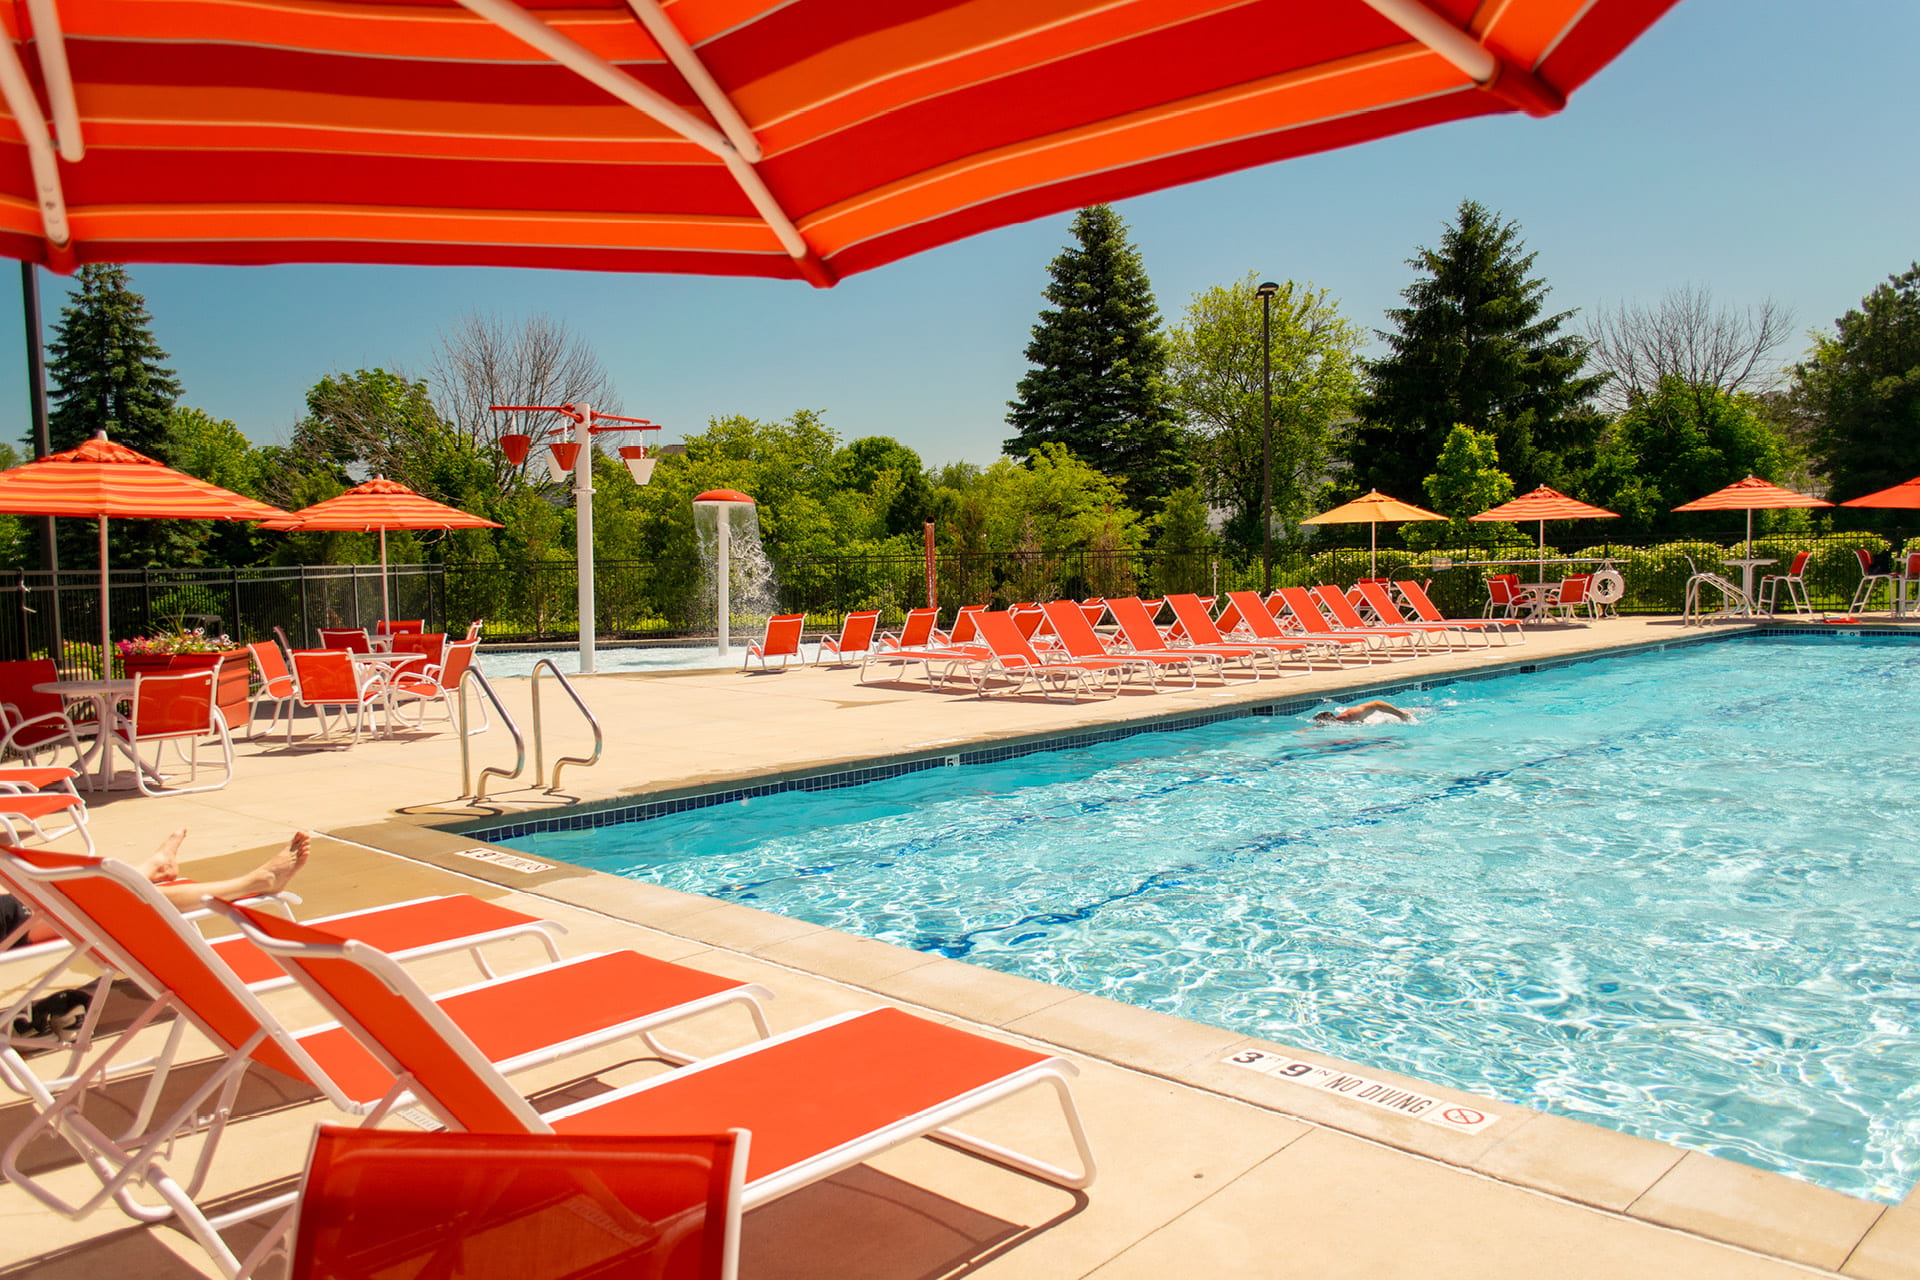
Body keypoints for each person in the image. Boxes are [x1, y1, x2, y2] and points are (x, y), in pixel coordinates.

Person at [1, 828, 310, 949]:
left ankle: (148, 870)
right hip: (24, 924)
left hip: (16, 914)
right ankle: (252, 883)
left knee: (81, 897)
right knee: (122, 903)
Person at [1310, 699, 1413, 725]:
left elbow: (1377, 703)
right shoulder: (1333, 723)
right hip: (1370, 719)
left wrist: (1401, 715)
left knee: (1414, 712)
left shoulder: (1350, 715)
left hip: (1385, 714)